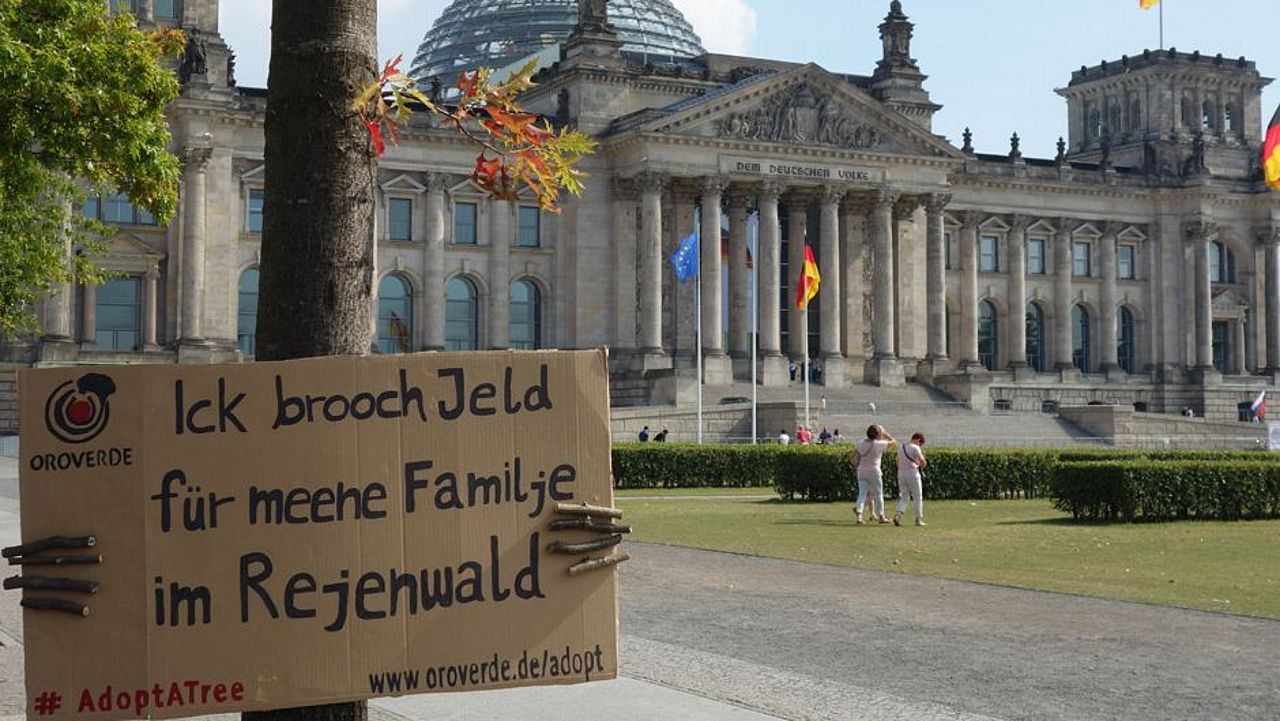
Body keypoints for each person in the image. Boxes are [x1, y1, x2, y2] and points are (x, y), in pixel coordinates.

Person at [851, 424, 895, 525]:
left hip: (861, 470)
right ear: (877, 434)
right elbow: (893, 442)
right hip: (874, 470)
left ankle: (859, 515)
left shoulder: (861, 442)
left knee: (862, 494)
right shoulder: (879, 444)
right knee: (879, 494)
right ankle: (881, 516)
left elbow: (853, 454)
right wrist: (885, 434)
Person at [894, 433, 928, 527]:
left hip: (901, 473)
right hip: (913, 474)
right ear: (918, 440)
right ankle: (918, 519)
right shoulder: (916, 448)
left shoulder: (901, 447)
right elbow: (923, 462)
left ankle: (898, 514)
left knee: (904, 496)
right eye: (920, 443)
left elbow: (897, 461)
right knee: (917, 497)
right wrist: (919, 464)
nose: (920, 445)